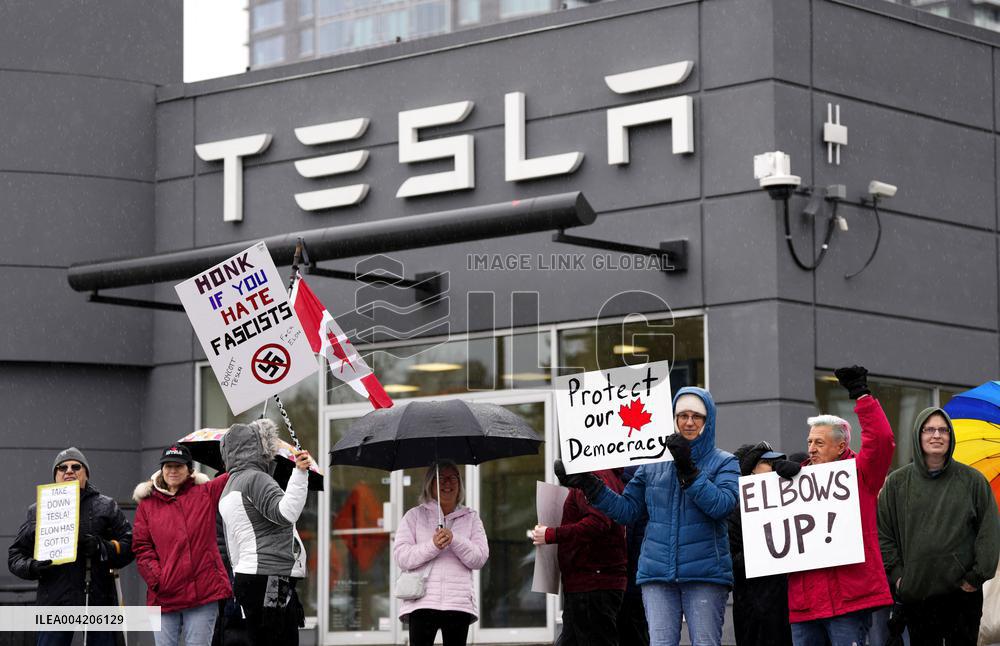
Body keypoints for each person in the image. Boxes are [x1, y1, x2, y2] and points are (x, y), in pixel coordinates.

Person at [556, 386, 739, 646]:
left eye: (697, 416)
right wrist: (590, 485)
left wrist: (690, 471)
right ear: (673, 419)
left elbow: (722, 506)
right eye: (682, 415)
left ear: (708, 421)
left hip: (705, 575)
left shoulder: (725, 462)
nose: (689, 422)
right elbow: (627, 510)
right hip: (657, 574)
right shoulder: (653, 462)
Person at [786, 366, 895, 646]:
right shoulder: (794, 481)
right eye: (809, 442)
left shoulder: (861, 475)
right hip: (805, 603)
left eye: (819, 443)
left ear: (841, 445)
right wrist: (775, 474)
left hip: (848, 601)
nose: (811, 448)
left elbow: (881, 440)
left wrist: (862, 396)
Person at [877, 406, 1000, 645]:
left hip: (962, 594)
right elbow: (885, 534)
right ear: (918, 435)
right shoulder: (896, 484)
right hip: (918, 594)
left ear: (950, 437)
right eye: (929, 430)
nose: (937, 435)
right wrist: (900, 577)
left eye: (943, 430)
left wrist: (975, 578)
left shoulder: (972, 481)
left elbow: (989, 532)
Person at [8, 447, 134, 646]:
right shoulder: (38, 509)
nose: (69, 470)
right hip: (54, 601)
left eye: (76, 466)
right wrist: (33, 566)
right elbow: (15, 556)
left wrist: (102, 547)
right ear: (55, 475)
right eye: (62, 468)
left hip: (97, 600)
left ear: (86, 474)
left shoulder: (106, 506)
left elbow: (131, 545)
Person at [219, 419, 312, 646]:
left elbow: (233, 544)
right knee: (282, 638)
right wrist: (300, 473)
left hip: (246, 577)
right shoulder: (256, 479)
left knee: (260, 639)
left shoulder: (229, 485)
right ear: (260, 447)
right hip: (271, 577)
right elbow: (287, 513)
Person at [132, 444, 234, 646]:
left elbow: (235, 473)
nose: (172, 471)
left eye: (178, 466)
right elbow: (142, 547)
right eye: (167, 466)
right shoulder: (147, 504)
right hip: (163, 595)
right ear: (161, 469)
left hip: (202, 594)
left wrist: (255, 443)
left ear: (189, 470)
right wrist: (158, 579)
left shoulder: (205, 493)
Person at [394, 460, 489, 646]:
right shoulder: (414, 516)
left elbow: (479, 558)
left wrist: (455, 540)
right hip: (422, 603)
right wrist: (433, 545)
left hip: (458, 604)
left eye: (453, 478)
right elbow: (402, 557)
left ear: (459, 483)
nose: (447, 483)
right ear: (430, 484)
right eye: (441, 478)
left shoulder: (471, 518)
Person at [530, 467, 627, 646]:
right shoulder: (605, 475)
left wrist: (552, 534)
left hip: (591, 583)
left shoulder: (594, 475)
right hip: (590, 581)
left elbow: (598, 523)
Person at [728, 442, 801, 646]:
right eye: (768, 462)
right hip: (750, 602)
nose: (775, 466)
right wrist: (761, 548)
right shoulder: (735, 508)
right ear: (751, 468)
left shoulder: (790, 498)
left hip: (784, 601)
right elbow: (731, 559)